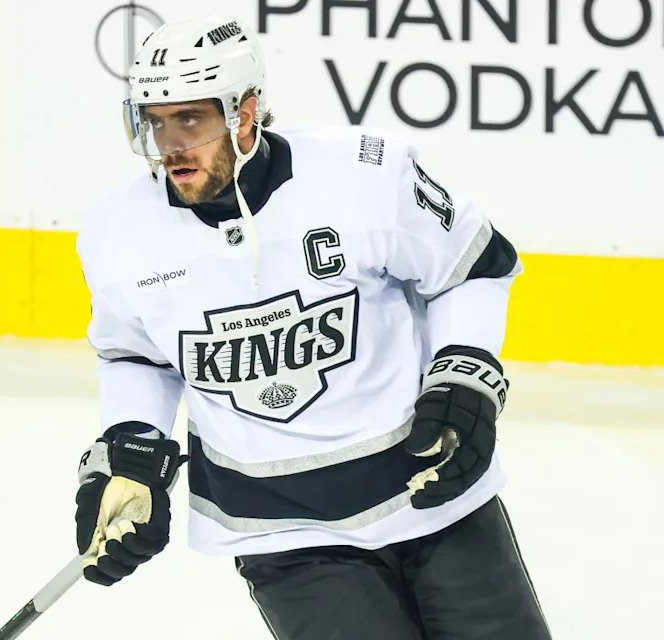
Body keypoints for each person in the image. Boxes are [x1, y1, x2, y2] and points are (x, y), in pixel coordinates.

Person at [73, 14, 551, 640]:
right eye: (156, 121)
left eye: (191, 118)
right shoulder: (118, 235)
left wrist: (464, 373)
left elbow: (472, 265)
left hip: (430, 488)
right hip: (283, 532)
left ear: (245, 112)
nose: (171, 143)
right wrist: (130, 449)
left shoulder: (363, 175)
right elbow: (137, 356)